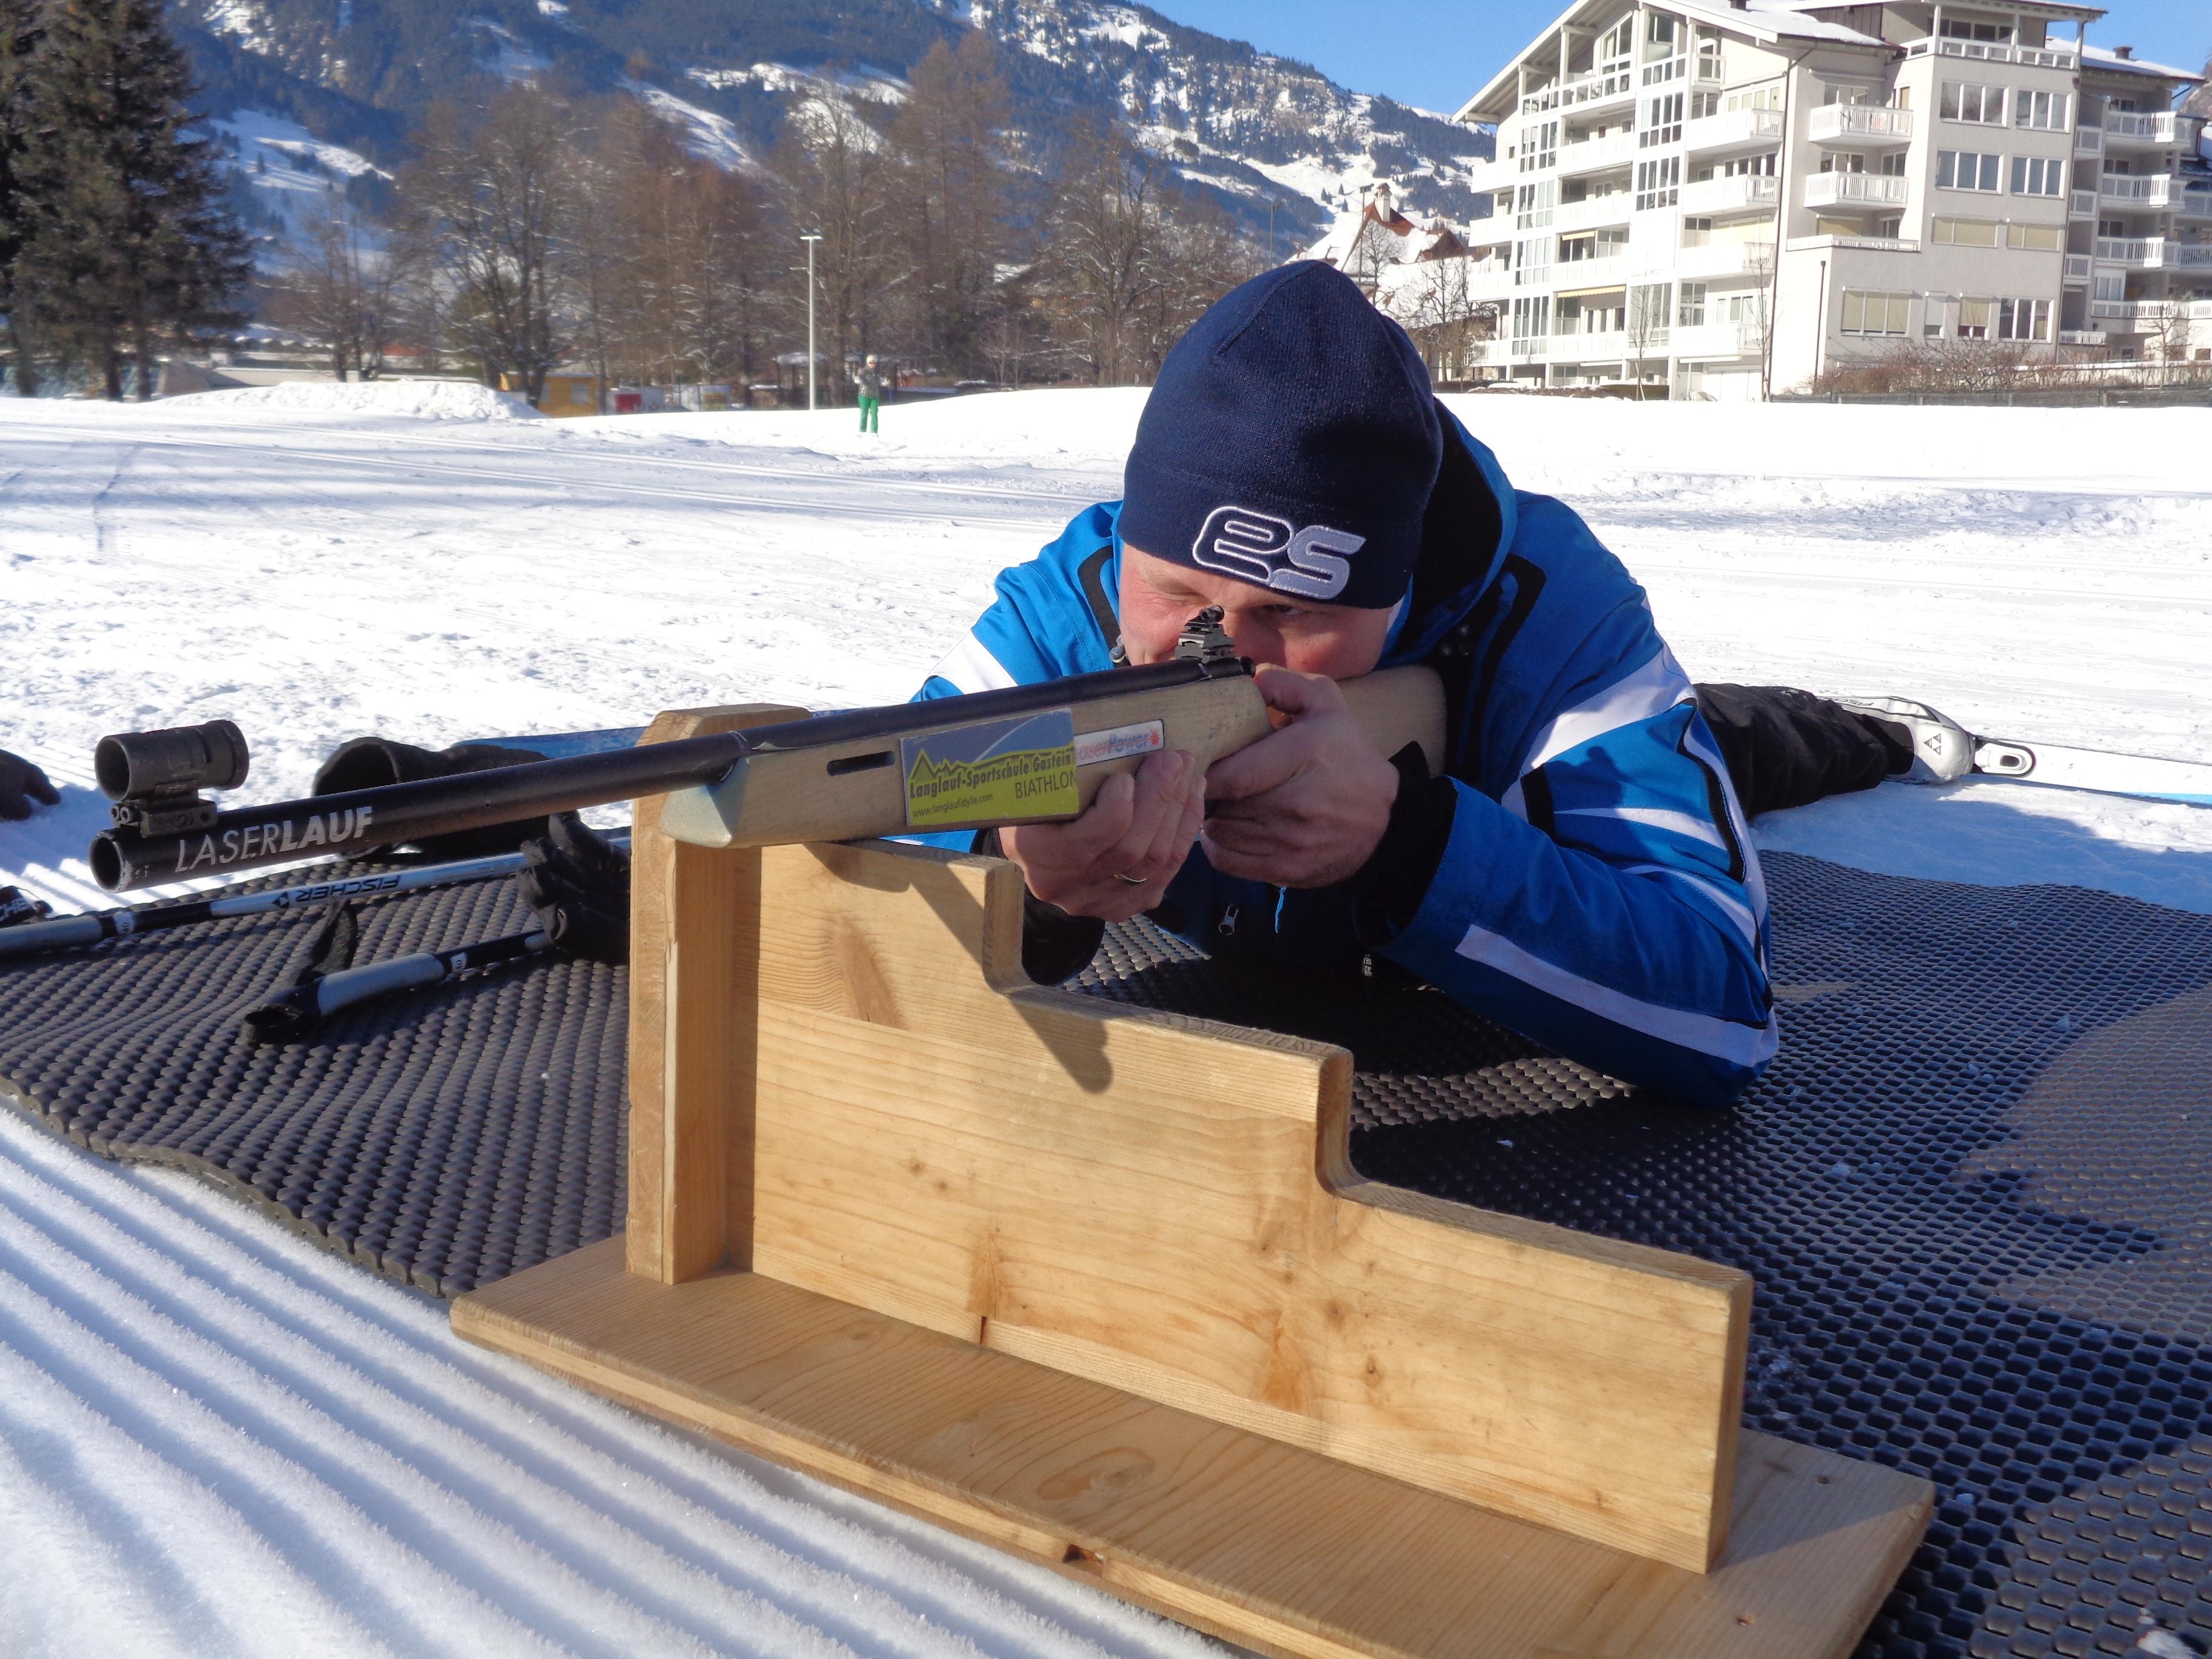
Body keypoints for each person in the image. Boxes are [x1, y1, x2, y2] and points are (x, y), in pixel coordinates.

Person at [907, 262, 1971, 1108]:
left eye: (1291, 614)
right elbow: (890, 813)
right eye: (1174, 594)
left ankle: (1870, 733)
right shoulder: (1071, 594)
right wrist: (1025, 894)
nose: (1216, 650)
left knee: (1745, 742)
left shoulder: (1550, 615)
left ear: (1401, 589)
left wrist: (1408, 846)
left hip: (1528, 771)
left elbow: (1724, 1010)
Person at [854, 354, 885, 434]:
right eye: (871, 363)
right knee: (864, 413)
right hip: (864, 395)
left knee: (874, 412)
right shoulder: (863, 371)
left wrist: (884, 382)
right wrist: (858, 380)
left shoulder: (877, 372)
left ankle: (874, 431)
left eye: (874, 363)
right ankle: (862, 431)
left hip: (875, 395)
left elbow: (881, 380)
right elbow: (859, 377)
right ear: (868, 363)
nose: (872, 365)